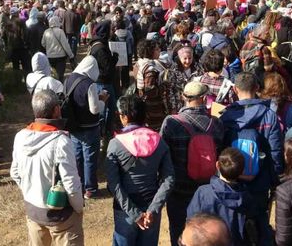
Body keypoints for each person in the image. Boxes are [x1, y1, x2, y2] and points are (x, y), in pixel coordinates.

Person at [10, 90, 84, 246]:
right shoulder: (61, 142)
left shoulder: (20, 136)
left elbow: (15, 172)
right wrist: (79, 207)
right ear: (56, 110)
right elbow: (70, 183)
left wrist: (30, 192)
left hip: (33, 212)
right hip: (61, 216)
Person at [220, 72, 283, 246]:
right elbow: (275, 151)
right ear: (257, 88)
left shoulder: (225, 116)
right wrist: (275, 178)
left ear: (234, 89)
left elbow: (220, 148)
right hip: (260, 180)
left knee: (234, 221)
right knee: (260, 220)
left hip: (231, 179)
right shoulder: (269, 115)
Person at [105, 94, 175, 246]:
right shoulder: (159, 141)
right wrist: (153, 209)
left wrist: (134, 214)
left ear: (124, 117)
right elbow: (168, 179)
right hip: (151, 209)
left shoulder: (115, 144)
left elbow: (114, 185)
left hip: (125, 210)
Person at [160, 81, 220, 246]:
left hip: (178, 189)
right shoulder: (215, 123)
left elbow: (163, 155)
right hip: (208, 189)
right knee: (205, 236)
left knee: (178, 231)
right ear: (203, 98)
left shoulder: (171, 122)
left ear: (183, 97)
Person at [187, 147, 254, 246]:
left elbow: (191, 221)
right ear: (242, 171)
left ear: (217, 165)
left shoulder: (203, 193)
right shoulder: (247, 198)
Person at [64, 55, 108, 199]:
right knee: (89, 157)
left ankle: (79, 186)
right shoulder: (89, 83)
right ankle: (91, 189)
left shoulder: (69, 79)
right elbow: (95, 109)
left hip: (74, 125)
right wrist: (103, 100)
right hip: (90, 126)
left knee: (77, 156)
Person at [135, 39, 167, 131]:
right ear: (150, 51)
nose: (159, 50)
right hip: (152, 106)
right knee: (154, 129)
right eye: (157, 49)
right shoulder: (150, 69)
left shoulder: (139, 63)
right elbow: (150, 91)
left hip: (143, 102)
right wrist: (164, 86)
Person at [162, 43, 201, 115]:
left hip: (194, 105)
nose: (188, 61)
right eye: (185, 58)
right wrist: (173, 108)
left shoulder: (198, 69)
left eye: (190, 58)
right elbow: (169, 91)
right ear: (179, 58)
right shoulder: (172, 71)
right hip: (178, 106)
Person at [41, 16, 74, 83]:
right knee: (60, 75)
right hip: (60, 57)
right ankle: (60, 89)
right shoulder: (60, 31)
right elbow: (65, 45)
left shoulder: (46, 32)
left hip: (50, 56)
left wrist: (49, 48)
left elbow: (43, 43)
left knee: (52, 75)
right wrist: (71, 55)